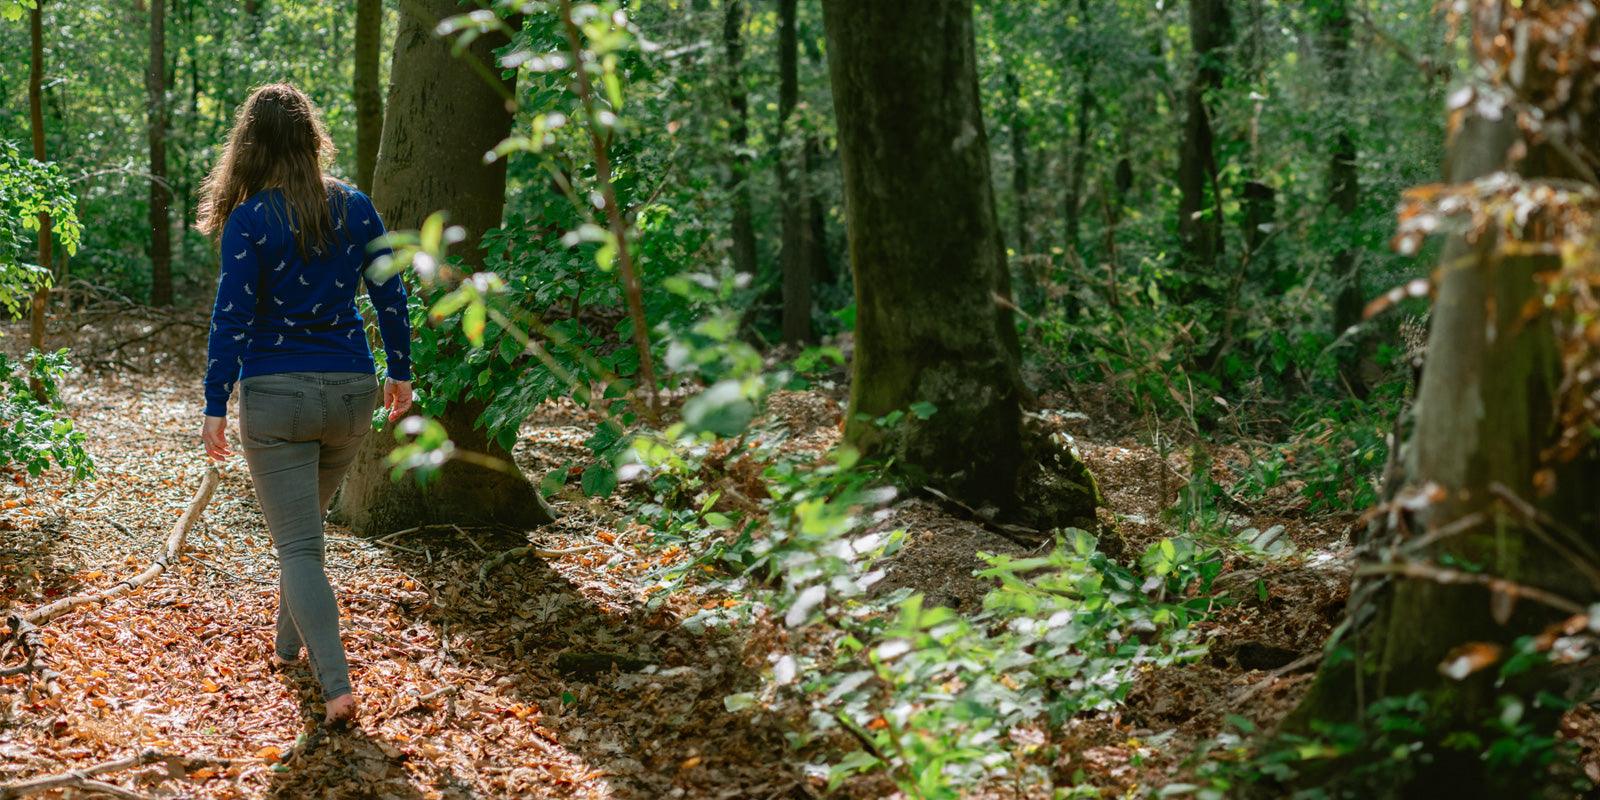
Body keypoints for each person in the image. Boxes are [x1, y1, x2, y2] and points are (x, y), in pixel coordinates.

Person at [195, 83, 413, 727]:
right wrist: (399, 371)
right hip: (349, 393)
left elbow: (229, 317)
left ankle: (337, 686)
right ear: (312, 139)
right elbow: (390, 291)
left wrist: (214, 400)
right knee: (305, 536)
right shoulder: (354, 205)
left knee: (297, 546)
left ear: (251, 148)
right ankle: (288, 647)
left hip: (276, 397)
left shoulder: (252, 219)